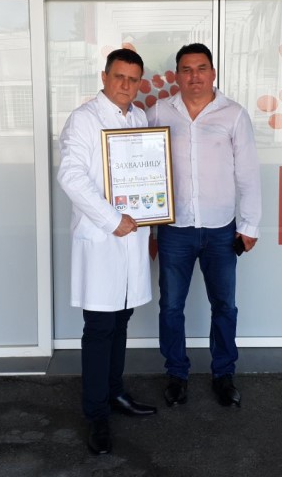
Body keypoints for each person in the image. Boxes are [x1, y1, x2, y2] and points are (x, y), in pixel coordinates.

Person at [147, 43, 261, 408]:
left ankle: (223, 374)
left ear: (213, 73)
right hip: (175, 230)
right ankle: (176, 374)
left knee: (224, 306)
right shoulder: (159, 112)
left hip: (221, 229)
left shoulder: (234, 115)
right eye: (186, 69)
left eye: (201, 68)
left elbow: (248, 174)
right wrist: (146, 224)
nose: (194, 76)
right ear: (177, 75)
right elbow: (141, 164)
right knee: (171, 307)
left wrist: (250, 225)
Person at [57, 48, 157, 455]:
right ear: (104, 76)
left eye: (133, 79)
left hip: (132, 236)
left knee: (121, 320)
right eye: (119, 77)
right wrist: (111, 219)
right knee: (100, 327)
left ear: (139, 83)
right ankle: (96, 413)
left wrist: (151, 212)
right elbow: (71, 176)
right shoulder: (84, 119)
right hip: (103, 237)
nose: (125, 85)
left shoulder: (139, 118)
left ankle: (115, 393)